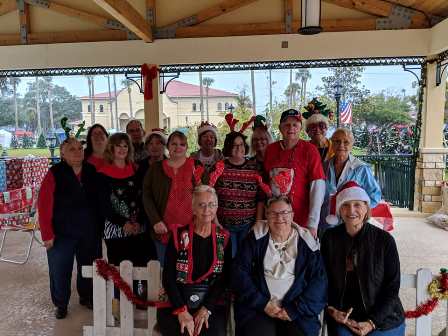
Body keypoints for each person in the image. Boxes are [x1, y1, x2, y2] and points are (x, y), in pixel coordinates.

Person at [232, 196, 327, 336]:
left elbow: (319, 281)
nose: (279, 217)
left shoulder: (307, 243)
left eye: (284, 213)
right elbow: (238, 273)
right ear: (266, 215)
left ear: (292, 215)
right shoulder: (254, 238)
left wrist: (295, 309)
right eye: (273, 213)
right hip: (259, 309)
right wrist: (263, 303)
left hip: (297, 312)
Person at [321, 181, 405, 336]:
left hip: (383, 319)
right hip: (344, 317)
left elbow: (392, 287)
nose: (351, 210)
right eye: (345, 205)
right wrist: (332, 309)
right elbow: (323, 280)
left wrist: (371, 322)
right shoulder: (330, 238)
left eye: (357, 205)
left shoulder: (384, 240)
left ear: (366, 208)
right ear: (339, 209)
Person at [38, 137, 103, 319]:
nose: (77, 152)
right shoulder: (54, 173)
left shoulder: (91, 171)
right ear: (63, 154)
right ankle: (61, 303)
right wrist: (47, 234)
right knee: (60, 269)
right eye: (72, 149)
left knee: (88, 267)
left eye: (80, 148)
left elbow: (99, 201)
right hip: (61, 233)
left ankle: (86, 296)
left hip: (88, 231)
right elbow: (44, 205)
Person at [157, 185, 231, 336]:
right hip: (177, 299)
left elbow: (224, 278)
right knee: (182, 331)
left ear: (217, 207)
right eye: (201, 205)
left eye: (211, 205)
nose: (206, 210)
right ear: (193, 208)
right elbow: (168, 276)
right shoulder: (178, 235)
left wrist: (206, 308)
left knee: (213, 332)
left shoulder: (224, 238)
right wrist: (181, 311)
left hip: (210, 302)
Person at [143, 131, 203, 264]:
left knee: (188, 269)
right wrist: (155, 220)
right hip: (163, 228)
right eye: (174, 144)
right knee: (165, 271)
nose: (178, 147)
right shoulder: (155, 169)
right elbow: (146, 195)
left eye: (182, 144)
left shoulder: (196, 166)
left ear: (187, 147)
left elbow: (205, 194)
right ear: (168, 146)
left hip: (191, 228)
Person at [264, 109, 326, 238]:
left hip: (301, 219)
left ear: (300, 128)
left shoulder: (310, 150)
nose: (291, 128)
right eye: (287, 125)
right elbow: (265, 182)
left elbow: (318, 185)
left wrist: (313, 223)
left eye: (295, 125)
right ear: (280, 128)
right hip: (276, 218)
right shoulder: (270, 150)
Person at [98, 132, 155, 269]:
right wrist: (123, 224)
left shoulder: (137, 170)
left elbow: (143, 198)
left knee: (141, 269)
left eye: (125, 146)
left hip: (138, 228)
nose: (122, 149)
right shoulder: (101, 174)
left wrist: (139, 222)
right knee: (120, 272)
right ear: (111, 148)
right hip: (115, 231)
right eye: (118, 146)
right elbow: (103, 205)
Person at [215, 130, 265, 257]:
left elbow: (260, 197)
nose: (239, 148)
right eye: (234, 145)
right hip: (224, 225)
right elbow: (211, 195)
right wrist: (215, 222)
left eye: (241, 144)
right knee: (229, 260)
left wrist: (258, 222)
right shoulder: (219, 167)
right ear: (228, 147)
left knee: (245, 259)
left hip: (247, 225)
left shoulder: (255, 168)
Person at [323, 128, 381, 230]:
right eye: (337, 141)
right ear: (332, 143)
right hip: (326, 223)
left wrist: (359, 213)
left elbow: (375, 196)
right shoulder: (324, 166)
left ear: (351, 145)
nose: (341, 145)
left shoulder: (361, 168)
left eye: (346, 142)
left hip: (352, 225)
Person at [302, 98, 334, 162]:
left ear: (326, 128)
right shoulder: (303, 148)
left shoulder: (335, 147)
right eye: (313, 126)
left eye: (321, 126)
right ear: (307, 131)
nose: (317, 129)